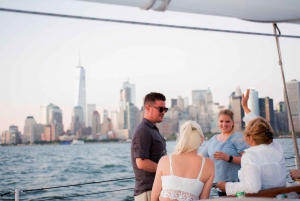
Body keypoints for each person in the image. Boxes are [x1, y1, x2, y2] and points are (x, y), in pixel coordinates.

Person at [216, 89, 286, 195]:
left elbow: (252, 187)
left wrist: (226, 186)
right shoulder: (276, 147)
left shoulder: (250, 156)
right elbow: (259, 125)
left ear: (250, 138)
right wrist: (245, 107)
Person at [151, 120, 215, 201]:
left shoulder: (165, 160)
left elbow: (154, 198)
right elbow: (203, 199)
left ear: (181, 138)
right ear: (202, 140)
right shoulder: (208, 164)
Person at [200, 109, 249, 196]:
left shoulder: (238, 138)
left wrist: (228, 158)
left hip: (236, 186)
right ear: (217, 122)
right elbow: (200, 156)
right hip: (220, 187)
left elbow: (248, 160)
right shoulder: (213, 139)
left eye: (227, 121)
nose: (224, 124)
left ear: (232, 122)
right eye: (221, 121)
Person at [131, 92, 168, 201]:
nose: (163, 112)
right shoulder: (143, 130)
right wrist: (167, 170)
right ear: (148, 108)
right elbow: (141, 163)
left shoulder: (152, 130)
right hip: (147, 192)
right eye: (160, 109)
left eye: (165, 109)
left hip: (156, 189)